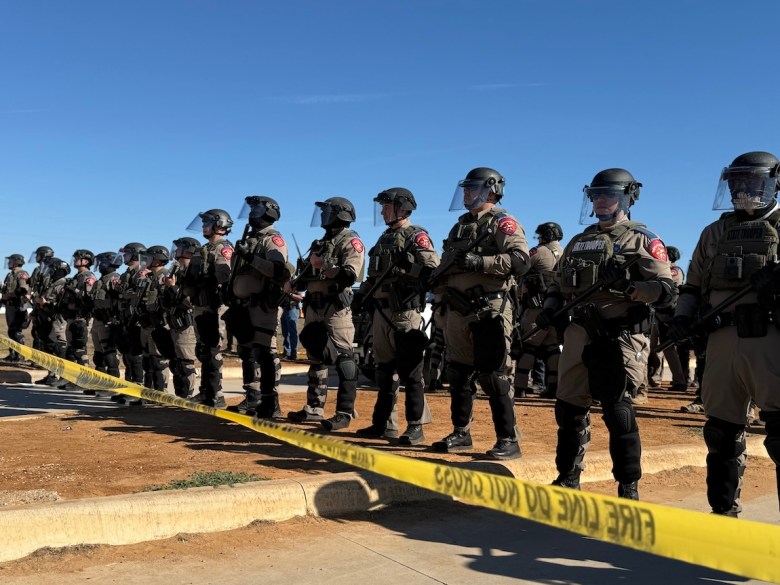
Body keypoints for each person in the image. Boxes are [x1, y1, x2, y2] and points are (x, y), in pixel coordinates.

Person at [536, 168, 676, 499]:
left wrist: (629, 286)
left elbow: (667, 291)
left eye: (608, 195)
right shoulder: (578, 241)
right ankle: (568, 476)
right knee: (569, 409)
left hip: (619, 336)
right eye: (596, 195)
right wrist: (550, 307)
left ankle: (628, 486)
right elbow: (558, 284)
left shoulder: (642, 240)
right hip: (577, 333)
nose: (600, 201)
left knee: (618, 411)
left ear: (627, 198)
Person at [667, 151, 780, 516]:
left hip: (771, 338)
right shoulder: (714, 231)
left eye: (750, 180)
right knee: (720, 432)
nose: (742, 188)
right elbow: (693, 285)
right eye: (736, 182)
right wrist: (682, 318)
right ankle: (723, 518)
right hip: (721, 339)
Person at [432, 167, 530, 460]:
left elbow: (521, 261)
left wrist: (482, 262)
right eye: (464, 188)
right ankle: (461, 432)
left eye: (471, 188)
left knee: (494, 375)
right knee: (459, 374)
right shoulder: (460, 225)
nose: (465, 193)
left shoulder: (503, 223)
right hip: (457, 309)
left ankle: (508, 439)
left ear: (490, 190)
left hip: (489, 307)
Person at [352, 187, 440, 445]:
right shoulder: (383, 238)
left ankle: (415, 426)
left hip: (404, 313)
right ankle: (384, 424)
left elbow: (431, 270)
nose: (382, 210)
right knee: (384, 372)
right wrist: (361, 296)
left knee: (411, 373)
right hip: (381, 312)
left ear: (401, 207)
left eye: (386, 205)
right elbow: (373, 276)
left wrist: (407, 267)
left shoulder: (417, 236)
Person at [287, 197, 365, 432]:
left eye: (328, 212)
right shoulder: (321, 242)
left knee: (345, 359)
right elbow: (309, 274)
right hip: (314, 307)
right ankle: (314, 407)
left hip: (336, 308)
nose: (323, 216)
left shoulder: (351, 241)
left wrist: (324, 265)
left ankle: (344, 412)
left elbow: (350, 275)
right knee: (316, 357)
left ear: (341, 214)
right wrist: (294, 283)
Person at [229, 195, 292, 418]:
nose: (250, 213)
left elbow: (276, 270)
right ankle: (254, 397)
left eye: (255, 209)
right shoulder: (251, 238)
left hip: (262, 305)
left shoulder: (273, 239)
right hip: (244, 306)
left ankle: (270, 402)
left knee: (265, 353)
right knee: (248, 351)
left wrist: (249, 256)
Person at [186, 209, 234, 408]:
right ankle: (205, 391)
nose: (203, 226)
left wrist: (206, 280)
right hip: (200, 304)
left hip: (216, 305)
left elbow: (224, 275)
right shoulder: (203, 249)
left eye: (207, 222)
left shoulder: (223, 248)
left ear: (219, 225)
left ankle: (216, 394)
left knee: (214, 349)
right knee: (203, 349)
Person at [512, 222, 564, 399]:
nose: (539, 239)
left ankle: (519, 387)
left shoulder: (538, 252)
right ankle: (554, 387)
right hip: (557, 309)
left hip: (536, 307)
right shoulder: (565, 253)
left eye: (541, 235)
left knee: (528, 346)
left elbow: (519, 268)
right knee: (552, 348)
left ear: (547, 235)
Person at [162, 237, 200, 399]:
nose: (175, 252)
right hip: (175, 322)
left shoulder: (194, 271)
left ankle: (187, 395)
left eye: (178, 249)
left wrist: (173, 287)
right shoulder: (178, 271)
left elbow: (190, 301)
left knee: (185, 363)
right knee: (176, 363)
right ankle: (180, 395)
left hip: (187, 323)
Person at [646, 245, 687, 392]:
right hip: (656, 314)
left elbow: (665, 287)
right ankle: (654, 378)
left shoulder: (674, 272)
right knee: (653, 349)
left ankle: (679, 381)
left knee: (668, 349)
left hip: (669, 316)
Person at [57, 249, 96, 390]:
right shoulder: (77, 276)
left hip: (81, 318)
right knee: (71, 349)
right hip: (72, 317)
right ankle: (72, 379)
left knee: (80, 349)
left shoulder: (88, 277)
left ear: (85, 261)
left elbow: (89, 297)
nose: (74, 260)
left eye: (77, 258)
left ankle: (83, 380)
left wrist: (74, 291)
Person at [115, 242, 147, 404]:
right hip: (125, 318)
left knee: (136, 356)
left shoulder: (142, 273)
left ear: (135, 255)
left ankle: (137, 387)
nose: (124, 257)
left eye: (127, 254)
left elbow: (135, 294)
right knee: (127, 355)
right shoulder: (127, 274)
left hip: (137, 320)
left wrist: (124, 293)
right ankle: (129, 386)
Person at [32, 257, 71, 386]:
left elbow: (63, 304)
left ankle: (65, 376)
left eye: (50, 268)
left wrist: (45, 303)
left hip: (58, 321)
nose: (48, 271)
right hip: (47, 319)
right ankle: (52, 374)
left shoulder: (63, 285)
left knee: (60, 347)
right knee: (49, 347)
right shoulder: (52, 284)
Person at [89, 252, 124, 387]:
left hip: (108, 321)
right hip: (97, 320)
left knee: (109, 354)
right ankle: (100, 383)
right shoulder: (100, 280)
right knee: (98, 355)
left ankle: (112, 384)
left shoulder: (114, 279)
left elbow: (119, 300)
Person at [1, 254, 31, 362]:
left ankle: (20, 355)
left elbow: (23, 289)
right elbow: (5, 290)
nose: (8, 263)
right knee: (11, 331)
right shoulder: (10, 275)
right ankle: (13, 354)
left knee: (17, 331)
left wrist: (10, 295)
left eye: (10, 261)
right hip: (10, 306)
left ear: (16, 262)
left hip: (18, 305)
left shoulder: (22, 274)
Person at [28, 246, 54, 352]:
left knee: (39, 332)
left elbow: (34, 285)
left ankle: (39, 358)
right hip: (43, 303)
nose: (37, 257)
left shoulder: (41, 269)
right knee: (39, 331)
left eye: (38, 254)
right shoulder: (52, 267)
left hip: (41, 303)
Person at [279, 291, 302, 360]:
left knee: (291, 332)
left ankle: (292, 353)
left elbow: (300, 298)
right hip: (284, 308)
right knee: (285, 332)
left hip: (292, 308)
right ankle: (287, 351)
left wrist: (290, 294)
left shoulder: (296, 284)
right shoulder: (283, 282)